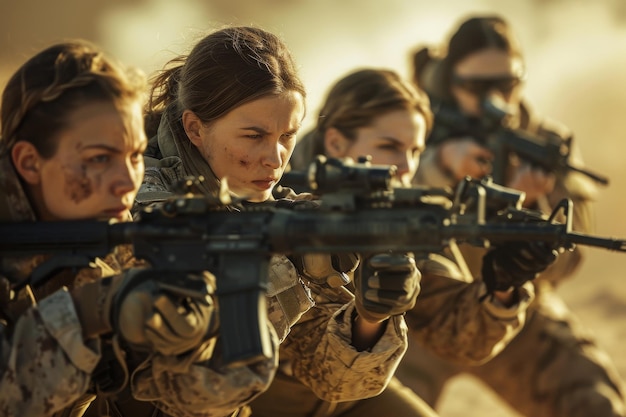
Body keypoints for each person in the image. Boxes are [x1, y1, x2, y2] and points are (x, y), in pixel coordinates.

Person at [137, 26, 421, 416]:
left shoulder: (270, 209)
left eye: (287, 135)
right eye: (254, 135)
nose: (275, 157)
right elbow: (191, 387)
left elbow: (331, 380)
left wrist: (370, 317)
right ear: (194, 128)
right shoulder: (140, 201)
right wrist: (285, 268)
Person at [248, 67, 554, 417]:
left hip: (350, 393)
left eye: (415, 150)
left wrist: (503, 285)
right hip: (255, 396)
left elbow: (456, 334)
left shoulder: (401, 214)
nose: (406, 167)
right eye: (389, 147)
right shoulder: (268, 193)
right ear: (335, 142)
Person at [0, 40, 260, 417]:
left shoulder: (110, 237)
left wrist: (194, 338)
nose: (127, 180)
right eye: (99, 158)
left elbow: (193, 401)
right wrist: (94, 312)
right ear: (29, 161)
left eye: (135, 155)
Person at [400, 14, 626, 417]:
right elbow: (368, 211)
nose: (496, 99)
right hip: (420, 311)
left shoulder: (544, 144)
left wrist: (528, 209)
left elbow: (569, 264)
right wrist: (438, 167)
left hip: (516, 310)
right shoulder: (411, 130)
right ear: (449, 80)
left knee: (594, 401)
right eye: (477, 87)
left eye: (507, 84)